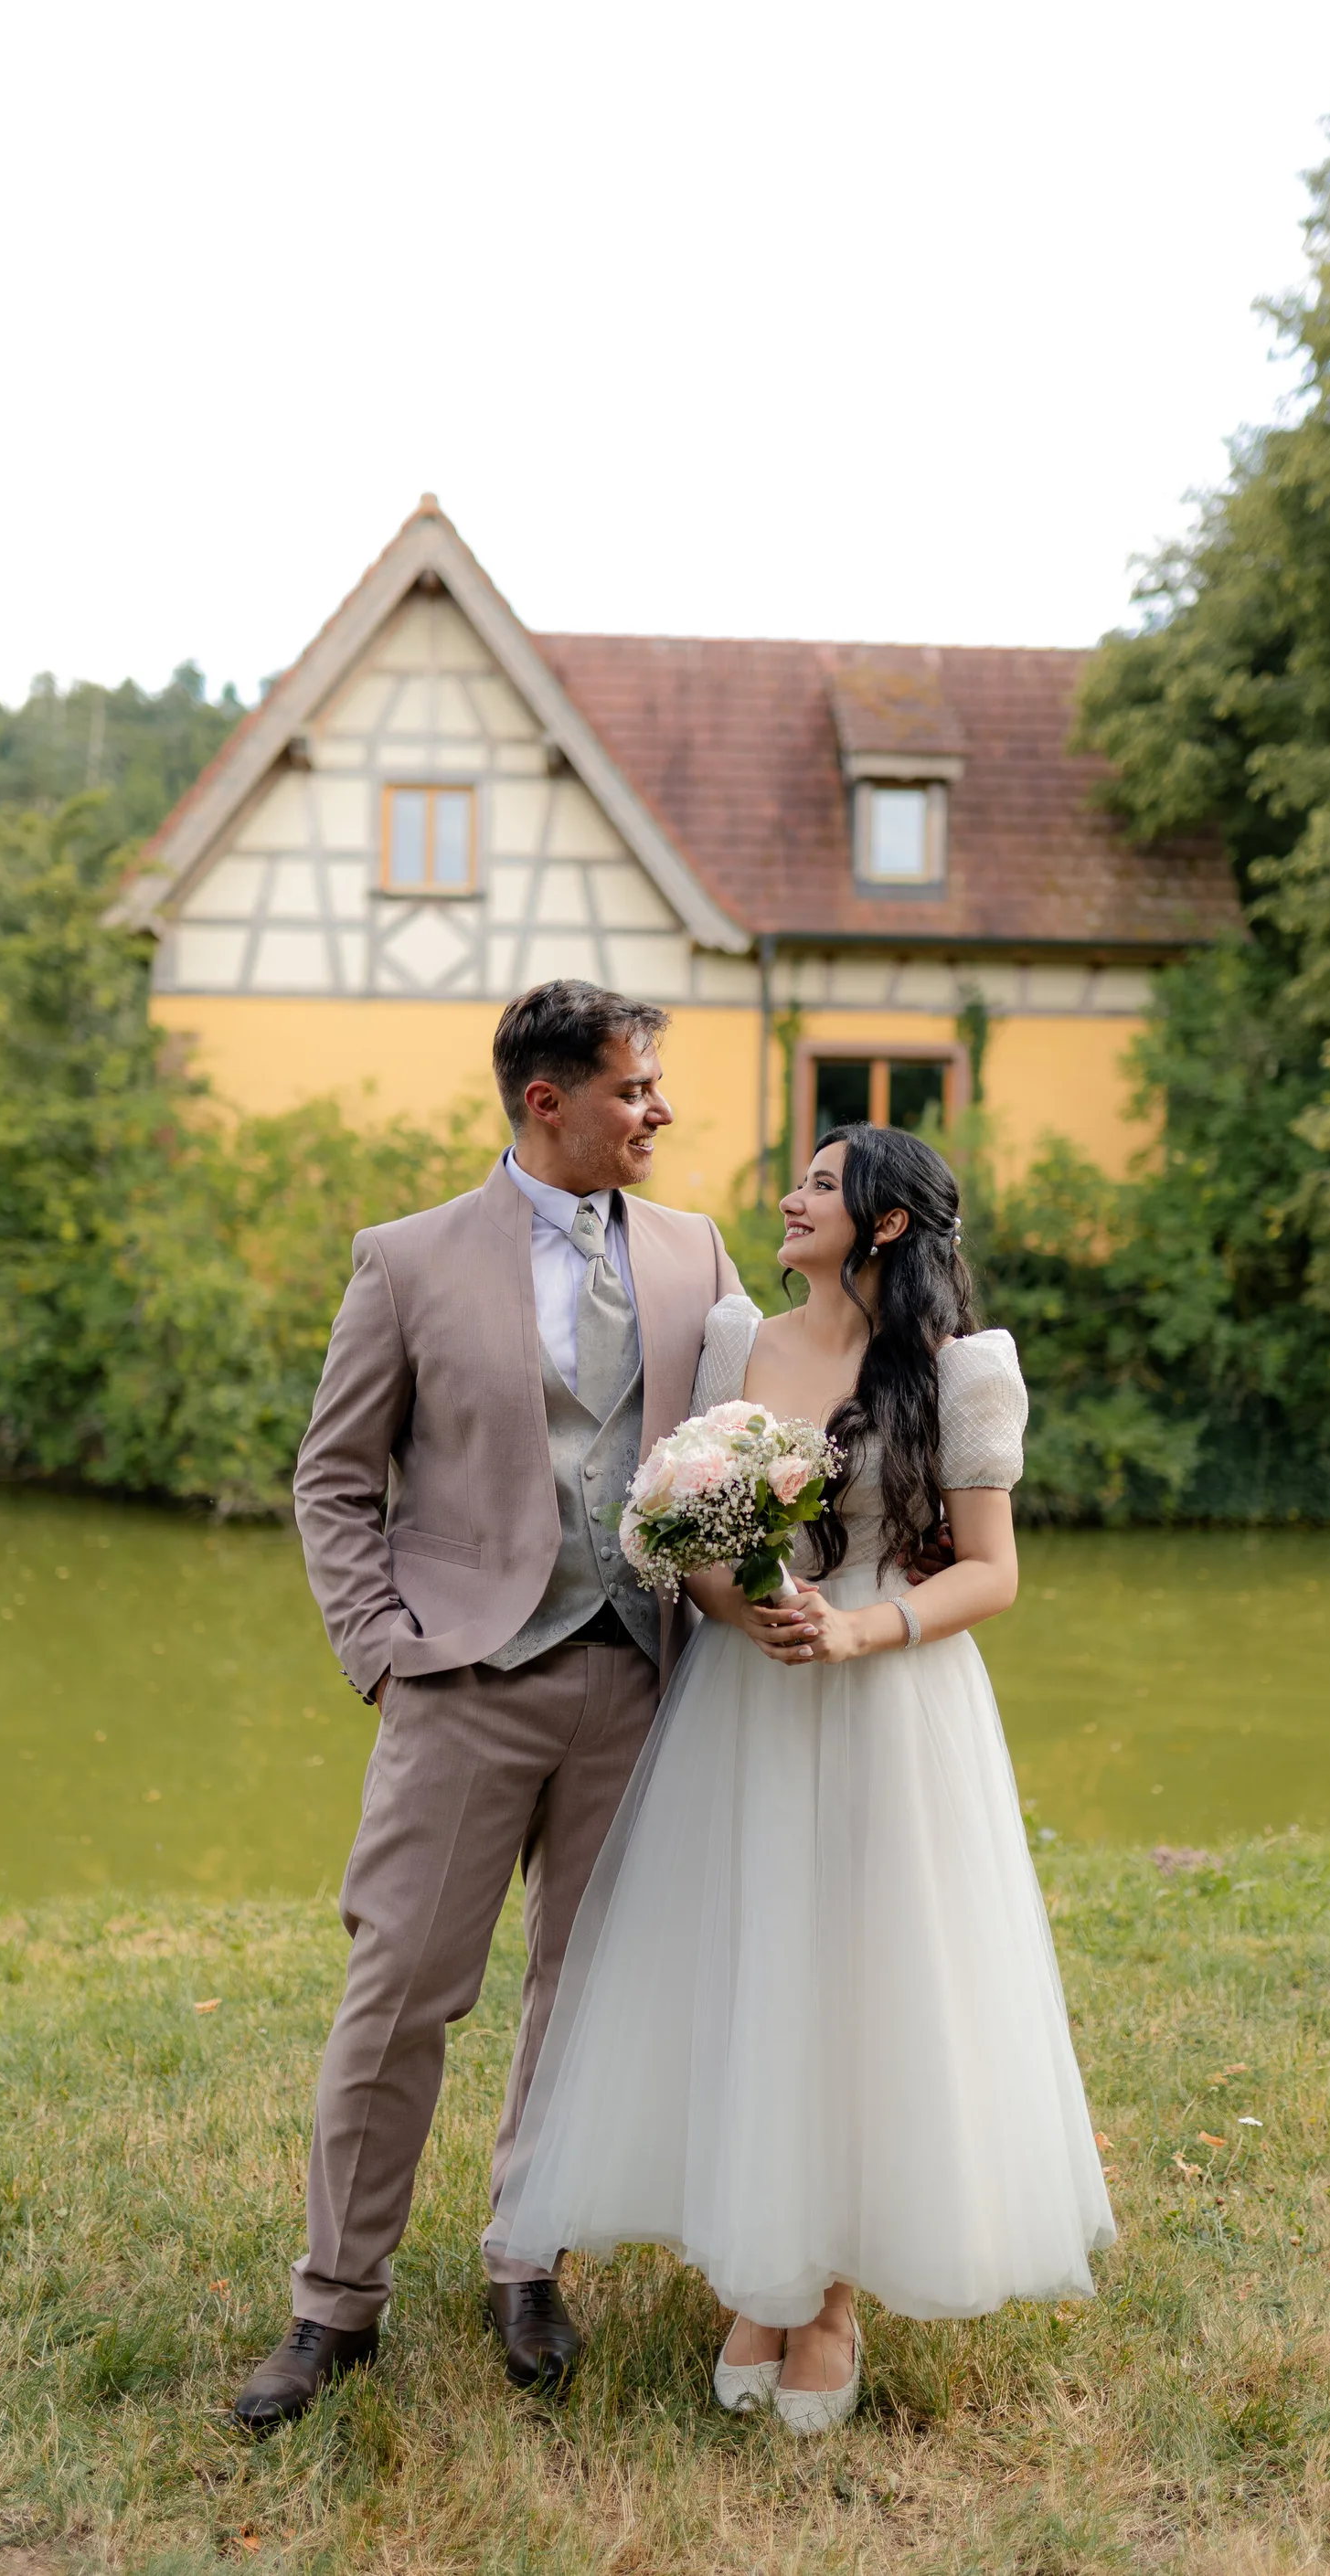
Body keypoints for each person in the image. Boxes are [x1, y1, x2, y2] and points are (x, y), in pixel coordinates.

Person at [486, 1123, 1115, 2433]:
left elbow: (993, 1573)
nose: (789, 1196)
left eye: (822, 1184)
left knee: (865, 1978)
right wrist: (743, 1607)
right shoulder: (735, 1340)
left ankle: (828, 2296)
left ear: (885, 1223)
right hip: (750, 1695)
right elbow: (684, 1533)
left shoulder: (962, 1370)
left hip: (894, 1692)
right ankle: (759, 2276)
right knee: (756, 1964)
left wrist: (858, 1628)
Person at [232, 980, 741, 2429]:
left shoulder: (697, 1252)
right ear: (548, 1100)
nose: (659, 1111)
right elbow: (334, 1479)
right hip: (460, 1683)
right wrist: (384, 1650)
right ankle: (336, 2305)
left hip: (636, 1680)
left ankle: (529, 2259)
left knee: (578, 1999)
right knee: (399, 1995)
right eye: (636, 1088)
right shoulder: (404, 1261)